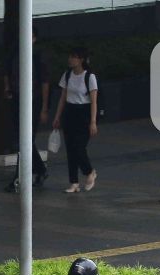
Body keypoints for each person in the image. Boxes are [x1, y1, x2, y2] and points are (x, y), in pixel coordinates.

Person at [3, 27, 51, 192]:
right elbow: (7, 71)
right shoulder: (15, 53)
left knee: (26, 140)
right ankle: (40, 170)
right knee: (23, 139)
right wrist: (8, 88)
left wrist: (44, 108)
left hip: (34, 101)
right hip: (17, 98)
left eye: (30, 36)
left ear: (35, 39)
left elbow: (45, 82)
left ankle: (19, 177)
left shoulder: (37, 56)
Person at [52, 47, 99, 193]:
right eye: (70, 56)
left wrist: (93, 121)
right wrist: (57, 117)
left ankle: (89, 171)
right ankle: (74, 182)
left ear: (81, 60)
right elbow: (62, 98)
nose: (70, 59)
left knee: (79, 147)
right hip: (70, 112)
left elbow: (94, 101)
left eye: (74, 57)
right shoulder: (67, 75)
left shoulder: (89, 77)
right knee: (70, 149)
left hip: (83, 113)